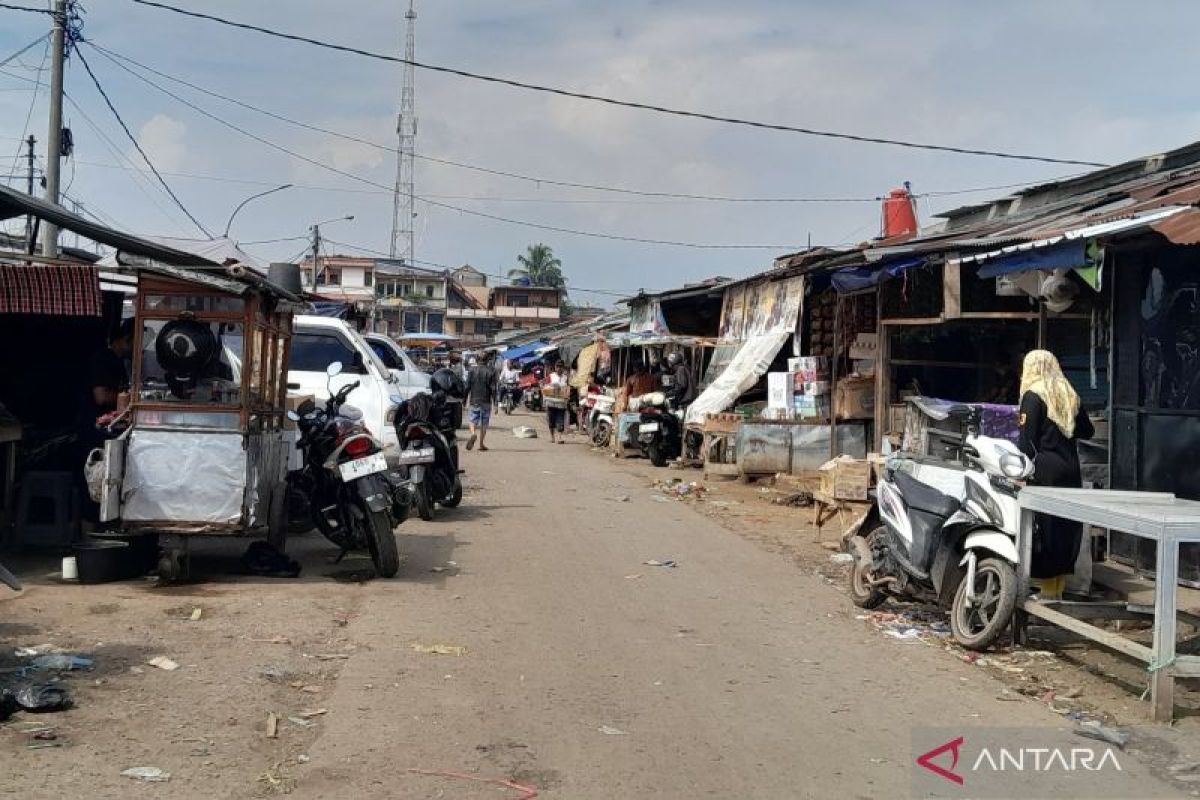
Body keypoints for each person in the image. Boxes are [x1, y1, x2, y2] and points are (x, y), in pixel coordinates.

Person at [1017, 349, 1095, 600]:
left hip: (1045, 470)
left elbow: (1027, 443)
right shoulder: (1068, 393)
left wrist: (1020, 472)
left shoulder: (1032, 395)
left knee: (1044, 529)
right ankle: (1056, 590)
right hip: (1071, 470)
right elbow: (1087, 430)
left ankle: (1043, 590)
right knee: (1065, 528)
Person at [464, 352, 498, 452]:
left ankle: (473, 433)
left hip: (474, 400)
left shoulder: (471, 371)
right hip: (486, 400)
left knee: (472, 420)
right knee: (484, 423)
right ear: (488, 360)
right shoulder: (491, 371)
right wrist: (495, 403)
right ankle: (481, 444)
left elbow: (467, 387)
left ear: (476, 360)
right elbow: (493, 389)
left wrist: (464, 400)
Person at [546, 361, 569, 444]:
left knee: (560, 420)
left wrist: (567, 397)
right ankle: (552, 437)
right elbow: (545, 386)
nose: (559, 368)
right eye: (557, 367)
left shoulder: (565, 377)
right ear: (555, 367)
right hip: (551, 402)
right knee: (551, 420)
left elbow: (568, 388)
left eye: (561, 367)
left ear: (563, 368)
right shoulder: (551, 376)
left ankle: (560, 437)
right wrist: (552, 387)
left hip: (561, 403)